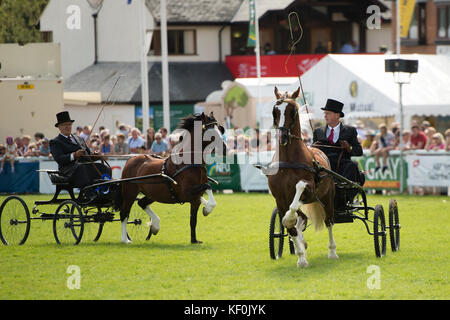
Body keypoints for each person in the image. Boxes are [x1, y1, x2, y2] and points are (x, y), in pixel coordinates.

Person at [313, 99, 364, 207]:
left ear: (337, 115)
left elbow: (359, 151)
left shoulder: (350, 130)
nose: (325, 116)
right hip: (324, 164)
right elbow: (314, 153)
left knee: (352, 166)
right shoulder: (318, 131)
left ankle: (344, 197)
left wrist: (348, 148)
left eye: (328, 113)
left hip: (343, 163)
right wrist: (314, 147)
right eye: (324, 113)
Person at [49, 111, 110, 189]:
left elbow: (88, 154)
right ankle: (88, 191)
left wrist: (96, 155)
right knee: (82, 168)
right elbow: (59, 159)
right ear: (59, 127)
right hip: (68, 170)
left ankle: (106, 190)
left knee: (104, 168)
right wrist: (74, 155)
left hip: (84, 166)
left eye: (69, 124)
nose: (68, 127)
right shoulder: (55, 142)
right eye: (65, 125)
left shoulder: (79, 139)